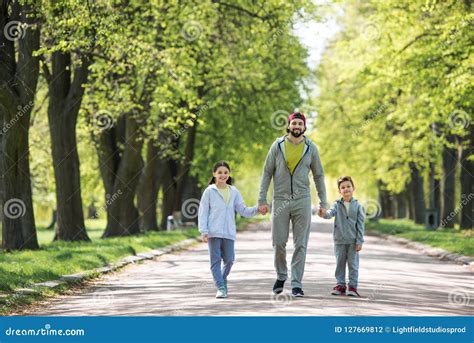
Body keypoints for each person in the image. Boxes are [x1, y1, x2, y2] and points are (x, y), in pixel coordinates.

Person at [258, 112, 328, 297]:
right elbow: (267, 172)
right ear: (288, 126)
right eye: (294, 123)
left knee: (301, 244)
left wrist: (323, 202)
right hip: (280, 199)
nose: (297, 126)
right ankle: (281, 275)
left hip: (302, 200)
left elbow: (319, 175)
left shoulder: (311, 148)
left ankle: (297, 283)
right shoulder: (277, 146)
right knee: (279, 242)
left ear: (304, 127)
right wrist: (261, 199)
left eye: (300, 124)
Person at [198, 161, 261, 298]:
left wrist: (257, 209)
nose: (223, 175)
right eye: (219, 172)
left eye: (225, 172)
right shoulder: (209, 191)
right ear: (214, 174)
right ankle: (220, 287)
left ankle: (222, 278)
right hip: (213, 232)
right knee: (215, 261)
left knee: (230, 260)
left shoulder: (234, 192)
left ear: (229, 174)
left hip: (228, 232)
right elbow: (203, 212)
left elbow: (243, 210)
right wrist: (204, 231)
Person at [321, 176, 365, 297]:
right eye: (343, 187)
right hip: (339, 240)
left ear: (353, 188)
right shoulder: (336, 204)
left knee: (353, 265)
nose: (346, 189)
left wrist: (359, 240)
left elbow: (360, 225)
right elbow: (330, 214)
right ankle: (340, 285)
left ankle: (352, 287)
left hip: (353, 241)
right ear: (339, 191)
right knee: (339, 263)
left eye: (348, 186)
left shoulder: (358, 206)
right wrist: (324, 213)